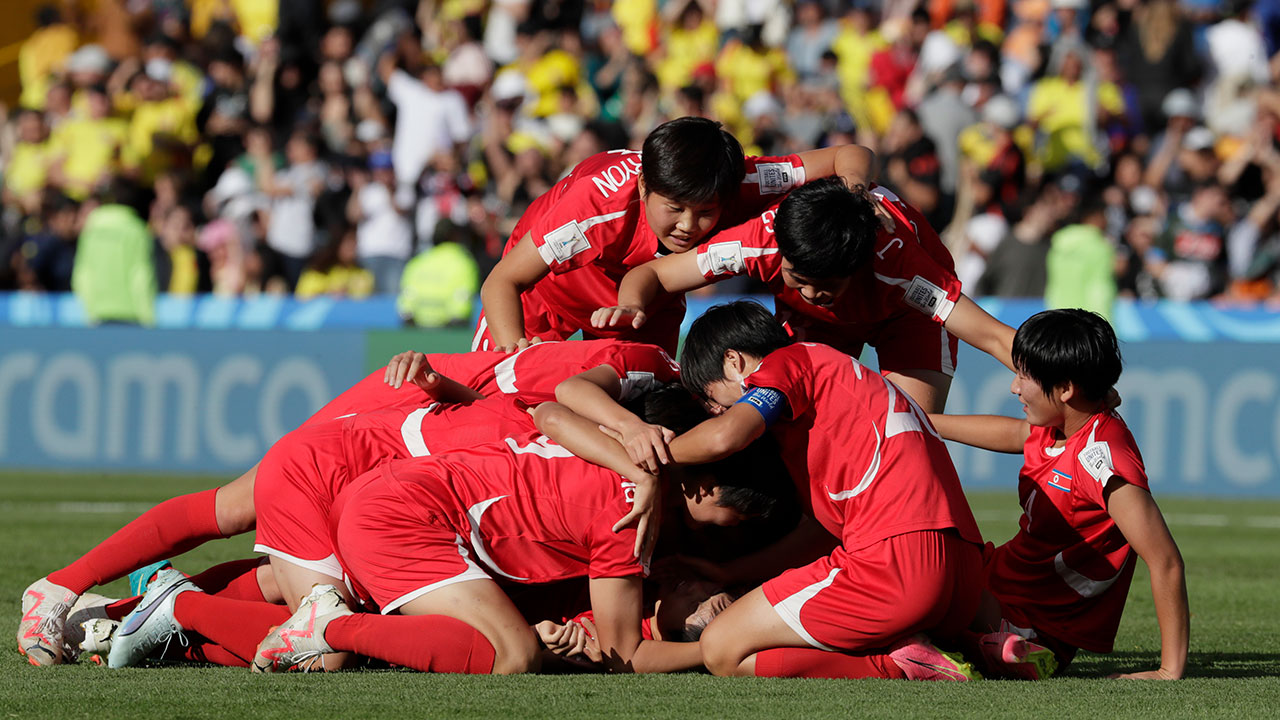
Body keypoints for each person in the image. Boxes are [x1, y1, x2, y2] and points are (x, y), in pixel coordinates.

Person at [17, 339, 678, 665]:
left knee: (265, 554)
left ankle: (135, 608)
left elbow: (535, 404)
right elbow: (544, 394)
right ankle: (120, 599)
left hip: (393, 443)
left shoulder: (574, 415)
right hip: (372, 448)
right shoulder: (614, 380)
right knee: (324, 634)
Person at [250, 389, 783, 675]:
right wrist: (719, 648)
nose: (739, 531)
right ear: (706, 489)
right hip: (405, 518)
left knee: (273, 591)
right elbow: (628, 657)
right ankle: (327, 628)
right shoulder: (633, 516)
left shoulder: (614, 440)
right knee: (514, 655)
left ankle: (176, 601)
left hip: (391, 495)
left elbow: (552, 407)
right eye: (745, 517)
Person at [656, 301, 987, 680]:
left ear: (734, 361)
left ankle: (896, 663)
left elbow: (724, 437)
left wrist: (649, 457)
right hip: (963, 578)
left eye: (711, 397)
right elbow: (818, 534)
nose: (715, 410)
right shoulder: (832, 403)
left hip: (898, 569)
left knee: (720, 650)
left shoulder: (789, 361)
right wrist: (728, 571)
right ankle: (987, 644)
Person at [599, 179, 1016, 412]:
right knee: (788, 418)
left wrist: (1065, 369)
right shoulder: (760, 240)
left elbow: (995, 337)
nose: (815, 293)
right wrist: (631, 305)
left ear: (859, 265)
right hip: (815, 327)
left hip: (904, 319)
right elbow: (652, 272)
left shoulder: (900, 266)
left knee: (908, 430)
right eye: (798, 278)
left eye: (828, 285)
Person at [928, 309, 1190, 680]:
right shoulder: (1059, 424)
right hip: (999, 583)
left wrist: (1169, 670)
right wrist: (925, 423)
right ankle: (980, 647)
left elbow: (1166, 561)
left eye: (1025, 376)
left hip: (1035, 622)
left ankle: (995, 648)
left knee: (927, 587)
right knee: (925, 571)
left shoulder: (1101, 460)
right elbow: (1017, 435)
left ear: (1067, 389)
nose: (1014, 387)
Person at [475, 116, 875, 354]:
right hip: (547, 290)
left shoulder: (742, 179)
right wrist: (514, 355)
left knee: (646, 415)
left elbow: (848, 154)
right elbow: (502, 281)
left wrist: (859, 194)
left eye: (705, 213)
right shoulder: (594, 205)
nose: (688, 225)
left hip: (645, 307)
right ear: (645, 185)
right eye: (675, 209)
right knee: (499, 394)